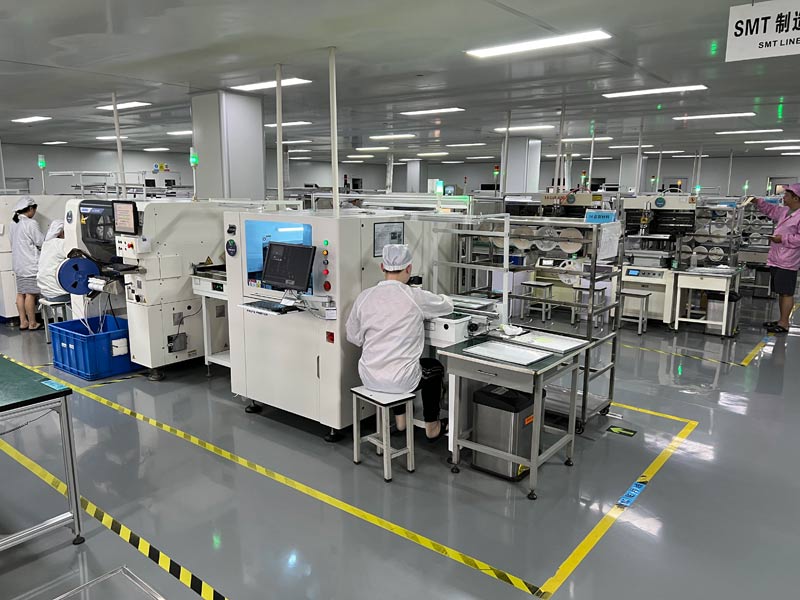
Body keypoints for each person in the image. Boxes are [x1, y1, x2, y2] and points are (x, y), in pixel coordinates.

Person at [346, 244, 454, 440]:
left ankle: (401, 422)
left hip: (369, 376)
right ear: (409, 268)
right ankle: (432, 427)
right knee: (434, 367)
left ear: (382, 267)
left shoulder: (364, 297)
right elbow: (447, 306)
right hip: (401, 381)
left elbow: (353, 336)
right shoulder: (415, 296)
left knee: (396, 364)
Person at [753, 184, 800, 333]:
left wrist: (782, 239)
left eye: (786, 195)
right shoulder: (785, 211)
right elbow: (771, 210)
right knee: (781, 291)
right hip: (777, 257)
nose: (783, 197)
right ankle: (781, 320)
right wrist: (757, 201)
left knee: (786, 292)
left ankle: (784, 323)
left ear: (796, 198)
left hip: (788, 259)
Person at [9, 196, 44, 330]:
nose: (34, 212)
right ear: (30, 208)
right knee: (30, 294)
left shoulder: (14, 223)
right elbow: (40, 241)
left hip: (18, 264)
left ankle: (23, 322)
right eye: (34, 209)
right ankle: (33, 323)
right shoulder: (31, 223)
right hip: (30, 264)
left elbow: (12, 241)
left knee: (21, 293)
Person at [37, 219, 70, 303]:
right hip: (59, 294)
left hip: (46, 293)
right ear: (62, 233)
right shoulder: (61, 243)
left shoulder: (46, 244)